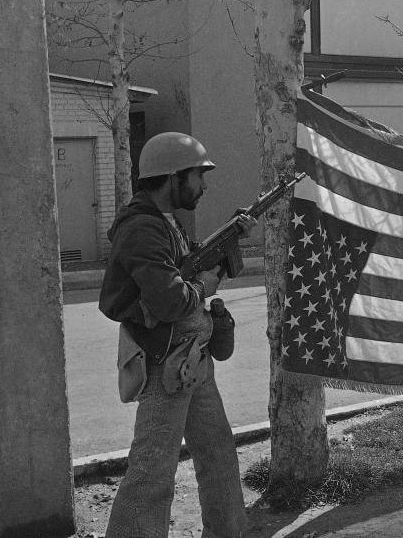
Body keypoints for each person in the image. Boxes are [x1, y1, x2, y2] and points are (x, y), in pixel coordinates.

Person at [99, 132, 254, 537]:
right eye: (197, 176)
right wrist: (204, 287)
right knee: (152, 474)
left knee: (218, 457)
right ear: (172, 178)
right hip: (165, 364)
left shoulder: (166, 223)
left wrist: (229, 242)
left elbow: (184, 267)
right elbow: (171, 301)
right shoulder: (143, 229)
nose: (204, 186)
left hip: (191, 361)